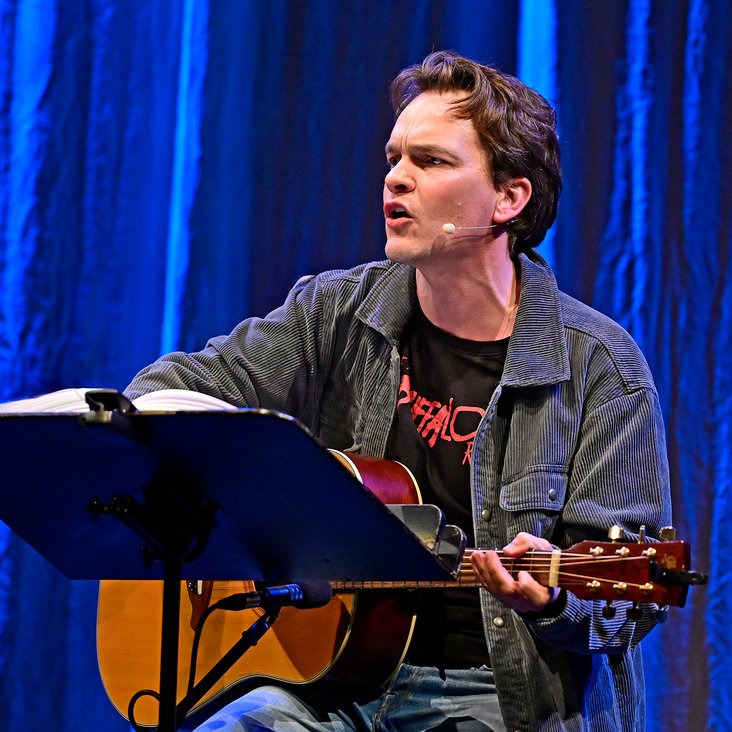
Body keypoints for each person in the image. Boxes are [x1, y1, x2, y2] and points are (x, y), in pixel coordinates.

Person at [125, 51, 671, 731]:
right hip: (326, 680)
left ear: (510, 197)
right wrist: (236, 516)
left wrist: (551, 601)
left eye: (431, 162)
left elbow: (628, 604)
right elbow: (168, 393)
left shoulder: (599, 368)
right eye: (394, 157)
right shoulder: (332, 313)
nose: (395, 179)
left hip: (497, 694)